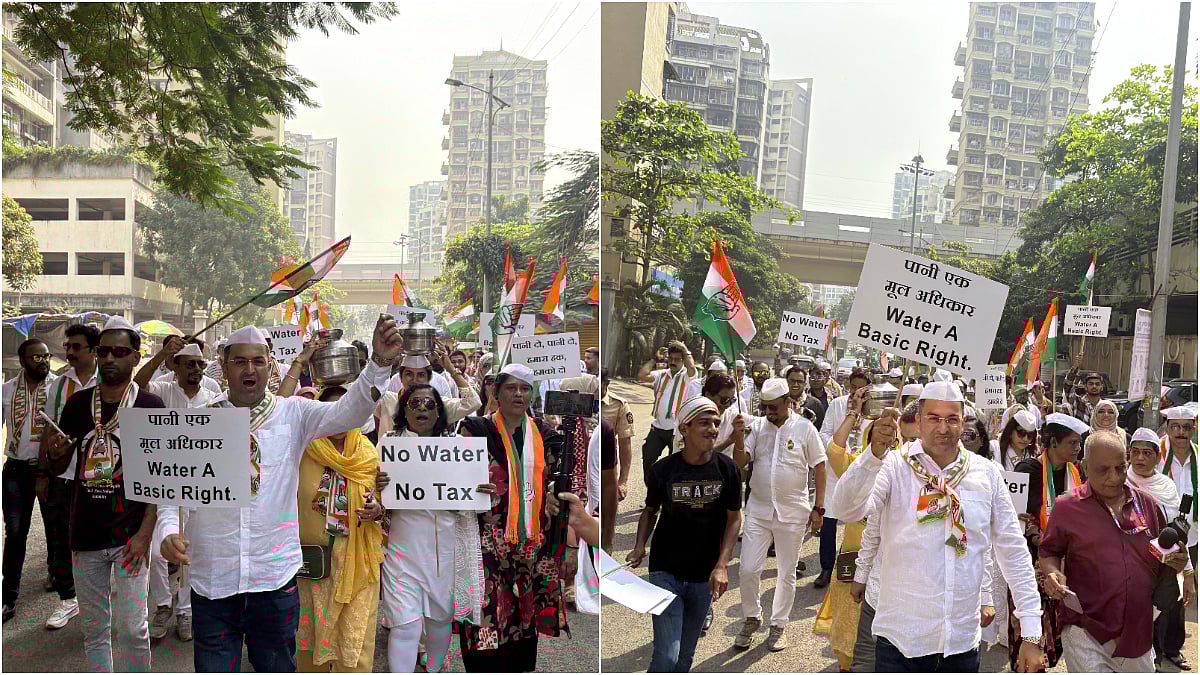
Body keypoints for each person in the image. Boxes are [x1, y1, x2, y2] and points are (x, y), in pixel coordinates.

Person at [156, 317, 402, 672]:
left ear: (270, 364)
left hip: (273, 580)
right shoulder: (200, 420)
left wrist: (378, 364)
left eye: (258, 360)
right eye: (239, 361)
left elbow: (350, 412)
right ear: (223, 367)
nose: (249, 369)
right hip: (213, 580)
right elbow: (169, 487)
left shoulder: (294, 413)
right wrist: (167, 530)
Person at [837, 381, 1045, 673]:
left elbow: (1013, 551)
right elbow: (847, 509)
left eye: (951, 419)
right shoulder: (895, 466)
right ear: (919, 421)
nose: (943, 428)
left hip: (960, 644)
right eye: (933, 418)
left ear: (964, 422)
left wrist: (1031, 630)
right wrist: (872, 457)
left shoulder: (985, 474)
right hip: (901, 643)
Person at [42, 317, 165, 672]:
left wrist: (144, 534)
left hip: (130, 536)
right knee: (94, 631)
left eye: (119, 351)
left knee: (132, 629)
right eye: (104, 350)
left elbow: (157, 480)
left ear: (135, 357)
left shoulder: (149, 405)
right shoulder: (79, 404)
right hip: (85, 533)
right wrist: (56, 451)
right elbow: (60, 465)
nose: (110, 357)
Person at [1040, 430, 1194, 673]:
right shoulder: (1067, 507)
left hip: (1138, 631)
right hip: (1086, 630)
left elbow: (1166, 552)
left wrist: (1180, 565)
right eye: (1103, 470)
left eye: (1121, 468)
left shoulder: (1149, 505)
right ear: (1085, 467)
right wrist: (1051, 573)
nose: (1114, 478)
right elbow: (1049, 551)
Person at [454, 364, 567, 671]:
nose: (519, 394)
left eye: (525, 388)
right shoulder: (476, 430)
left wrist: (555, 491)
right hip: (486, 545)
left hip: (530, 545)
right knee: (485, 618)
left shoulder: (545, 434)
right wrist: (468, 486)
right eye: (511, 387)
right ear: (496, 392)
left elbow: (559, 478)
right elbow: (453, 477)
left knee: (522, 623)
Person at [377, 383, 489, 673]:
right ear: (404, 409)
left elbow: (470, 500)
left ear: (439, 409)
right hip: (402, 553)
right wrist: (377, 490)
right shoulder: (389, 444)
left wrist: (480, 490)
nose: (422, 408)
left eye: (429, 403)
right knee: (405, 626)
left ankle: (434, 669)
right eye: (414, 403)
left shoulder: (457, 448)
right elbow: (372, 496)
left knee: (440, 623)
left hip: (445, 552)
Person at [627, 396, 742, 672]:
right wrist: (639, 545)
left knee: (684, 657)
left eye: (716, 423)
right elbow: (650, 510)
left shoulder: (728, 470)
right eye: (704, 423)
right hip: (665, 571)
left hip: (704, 577)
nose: (713, 429)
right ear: (685, 428)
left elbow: (734, 520)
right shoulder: (663, 470)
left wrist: (722, 564)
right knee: (667, 654)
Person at [290, 385, 386, 672]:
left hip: (358, 564)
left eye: (346, 411)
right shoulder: (303, 451)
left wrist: (377, 508)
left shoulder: (368, 454)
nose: (340, 419)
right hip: (314, 565)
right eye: (332, 412)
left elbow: (381, 499)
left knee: (355, 640)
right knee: (312, 636)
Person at [731, 378, 826, 651]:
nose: (769, 412)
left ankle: (778, 624)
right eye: (765, 407)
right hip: (759, 510)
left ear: (788, 402)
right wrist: (738, 436)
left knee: (787, 571)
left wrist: (819, 508)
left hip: (793, 512)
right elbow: (740, 462)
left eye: (774, 407)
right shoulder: (757, 427)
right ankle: (751, 617)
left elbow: (820, 468)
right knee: (748, 568)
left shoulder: (805, 428)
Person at [815, 387, 900, 671]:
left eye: (890, 437)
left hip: (890, 566)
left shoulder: (906, 474)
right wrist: (853, 413)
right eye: (877, 434)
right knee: (848, 629)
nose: (885, 440)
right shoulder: (856, 466)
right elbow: (834, 449)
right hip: (853, 561)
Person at [1007, 412, 1090, 670]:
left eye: (1079, 443)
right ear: (1053, 443)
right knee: (1030, 626)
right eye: (1072, 443)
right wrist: (1035, 533)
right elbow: (1013, 519)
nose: (1078, 449)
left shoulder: (1076, 473)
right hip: (1030, 563)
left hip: (1061, 561)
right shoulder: (1025, 471)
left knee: (1055, 629)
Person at [39, 322, 99, 629]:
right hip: (65, 475)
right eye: (68, 347)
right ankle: (67, 600)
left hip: (101, 477)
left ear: (93, 350)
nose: (70, 352)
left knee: (101, 539)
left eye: (77, 347)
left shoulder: (110, 382)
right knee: (63, 538)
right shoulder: (59, 385)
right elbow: (48, 429)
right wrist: (44, 473)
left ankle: (104, 600)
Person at [2, 338, 57, 624]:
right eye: (36, 358)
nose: (43, 361)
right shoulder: (7, 390)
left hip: (50, 469)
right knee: (15, 532)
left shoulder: (59, 387)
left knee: (53, 527)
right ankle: (8, 597)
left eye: (46, 356)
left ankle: (54, 570)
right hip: (15, 470)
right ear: (22, 360)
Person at [1127, 427, 1185, 669]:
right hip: (1129, 558)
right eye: (1135, 452)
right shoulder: (1120, 481)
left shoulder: (1167, 487)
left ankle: (1164, 653)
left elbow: (1173, 526)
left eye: (1147, 453)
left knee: (1167, 604)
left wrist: (1187, 570)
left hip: (1161, 560)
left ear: (1157, 457)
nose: (1140, 458)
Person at [816, 368, 872, 589]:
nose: (856, 391)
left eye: (861, 386)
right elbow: (824, 432)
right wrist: (836, 448)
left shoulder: (874, 407)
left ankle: (855, 570)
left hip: (861, 474)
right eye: (853, 386)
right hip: (835, 472)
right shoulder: (837, 404)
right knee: (828, 523)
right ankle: (826, 568)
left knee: (858, 526)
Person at [1155, 405, 1197, 670]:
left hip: (1193, 536)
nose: (1181, 433)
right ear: (1168, 429)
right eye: (1176, 427)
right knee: (1159, 594)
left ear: (1194, 429)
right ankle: (1153, 650)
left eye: (1186, 427)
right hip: (1162, 536)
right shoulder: (1154, 455)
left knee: (1181, 595)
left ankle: (1172, 647)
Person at [376, 351, 480, 435]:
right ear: (401, 378)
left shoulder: (438, 406)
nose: (414, 380)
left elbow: (473, 402)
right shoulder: (387, 400)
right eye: (409, 374)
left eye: (421, 375)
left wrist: (451, 369)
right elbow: (362, 398)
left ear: (428, 379)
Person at [637, 342, 697, 488]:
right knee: (648, 459)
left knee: (675, 465)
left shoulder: (688, 376)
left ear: (683, 360)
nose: (673, 362)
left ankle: (668, 498)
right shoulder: (662, 374)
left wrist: (684, 349)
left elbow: (692, 367)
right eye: (670, 359)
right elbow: (642, 376)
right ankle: (652, 496)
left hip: (676, 430)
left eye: (677, 359)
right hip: (658, 428)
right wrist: (654, 359)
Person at [600, 368, 635, 502]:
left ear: (606, 383)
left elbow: (625, 443)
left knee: (607, 505)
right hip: (584, 462)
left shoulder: (619, 405)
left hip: (607, 464)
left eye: (599, 383)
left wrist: (623, 481)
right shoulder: (584, 400)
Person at [1062, 350, 1104, 424]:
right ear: (1085, 387)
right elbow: (1067, 386)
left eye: (1097, 384)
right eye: (1091, 384)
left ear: (1101, 387)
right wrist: (1075, 367)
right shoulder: (1078, 401)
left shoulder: (1105, 406)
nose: (1094, 386)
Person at [994, 406, 1039, 472]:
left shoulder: (1033, 455)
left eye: (1030, 435)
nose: (1025, 439)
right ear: (1011, 431)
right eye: (1021, 433)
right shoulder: (997, 451)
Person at [783, 365, 824, 429]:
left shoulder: (815, 404)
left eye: (799, 381)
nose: (795, 384)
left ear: (805, 383)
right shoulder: (779, 402)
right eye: (792, 381)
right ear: (786, 382)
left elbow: (820, 431)